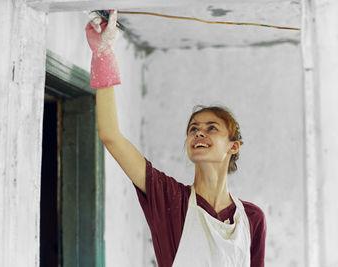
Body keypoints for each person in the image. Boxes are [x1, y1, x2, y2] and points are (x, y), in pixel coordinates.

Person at [86, 10, 266, 267]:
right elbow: (111, 135)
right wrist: (102, 55)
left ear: (233, 146)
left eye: (212, 128)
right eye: (193, 128)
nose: (198, 132)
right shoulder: (169, 199)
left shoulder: (252, 218)